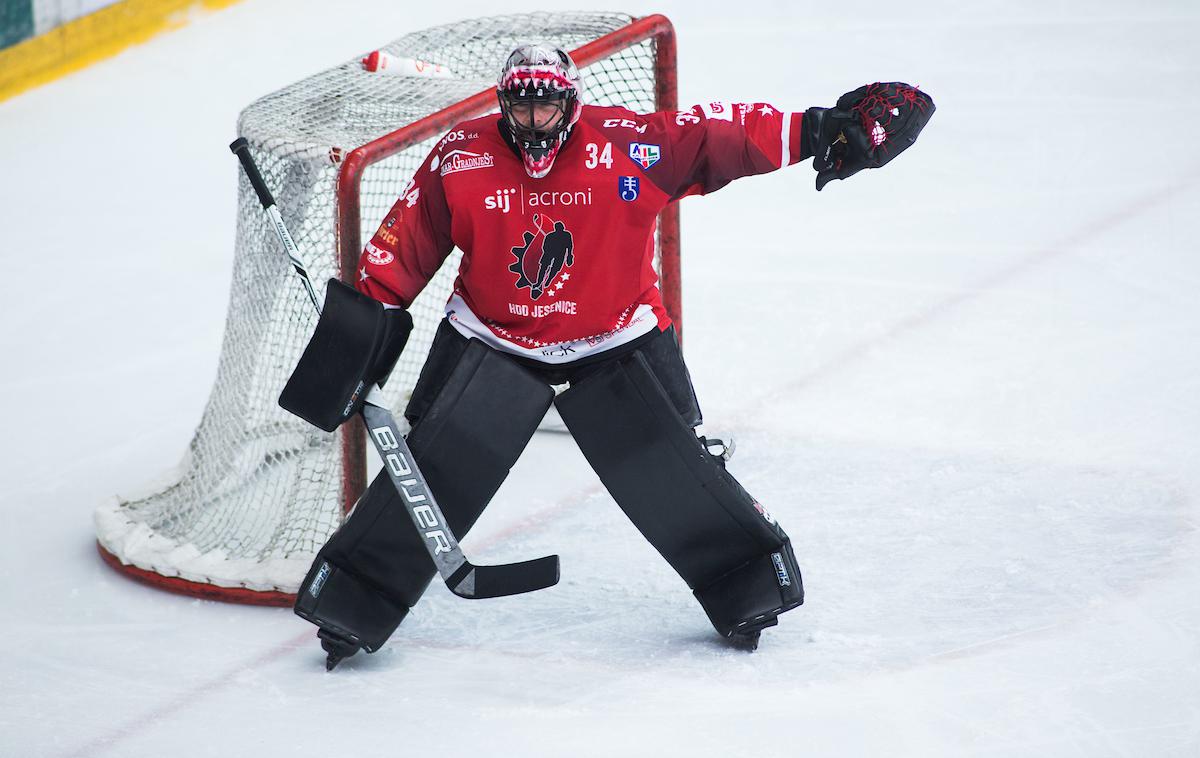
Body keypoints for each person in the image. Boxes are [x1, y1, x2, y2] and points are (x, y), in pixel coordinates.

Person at [294, 44, 934, 667]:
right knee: (427, 472)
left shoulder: (629, 142)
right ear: (503, 105)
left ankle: (749, 587)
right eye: (521, 110)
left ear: (571, 105)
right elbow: (404, 246)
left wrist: (818, 129)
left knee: (683, 470)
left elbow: (718, 135)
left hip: (618, 335)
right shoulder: (459, 156)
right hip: (490, 336)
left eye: (547, 109)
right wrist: (360, 334)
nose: (534, 123)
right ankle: (350, 601)